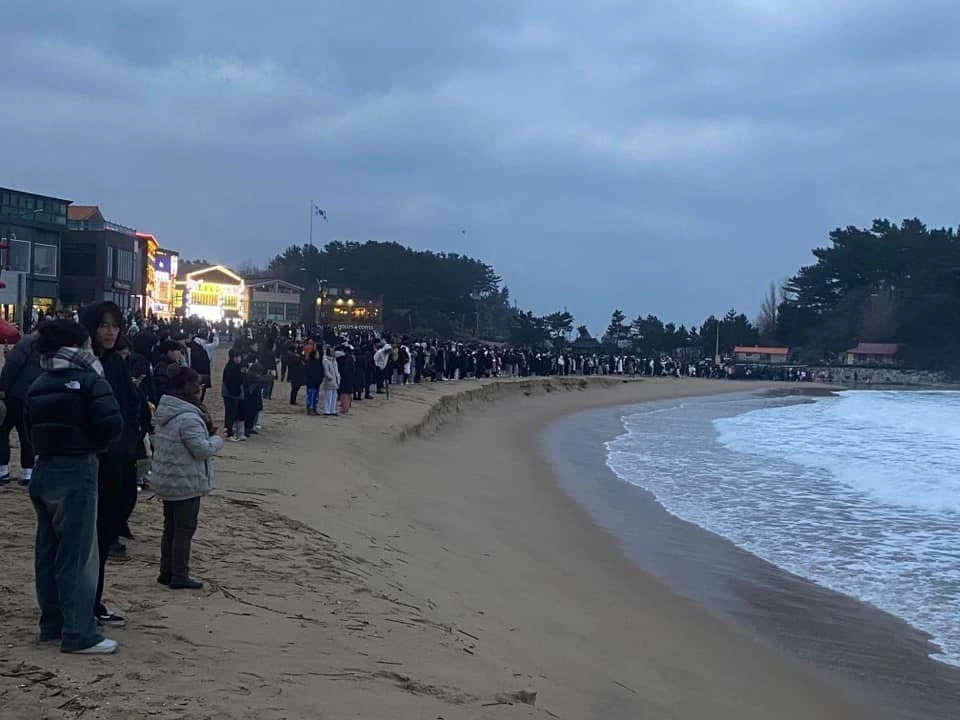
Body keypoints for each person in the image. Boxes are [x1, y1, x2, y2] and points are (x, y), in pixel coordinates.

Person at [24, 319, 123, 654]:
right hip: (77, 469)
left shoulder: (39, 382)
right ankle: (79, 632)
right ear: (80, 347)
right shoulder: (91, 380)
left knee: (48, 551)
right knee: (78, 555)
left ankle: (52, 624)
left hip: (44, 468)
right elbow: (112, 425)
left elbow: (28, 427)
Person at [80, 301, 142, 626]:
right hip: (89, 463)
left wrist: (130, 442)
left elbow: (129, 406)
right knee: (84, 539)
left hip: (117, 459)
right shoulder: (82, 363)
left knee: (104, 534)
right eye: (104, 325)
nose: (110, 332)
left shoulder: (116, 362)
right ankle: (82, 605)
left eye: (115, 326)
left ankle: (94, 601)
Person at [150, 366, 227, 590]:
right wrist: (218, 439)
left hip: (168, 478)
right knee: (183, 529)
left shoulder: (166, 411)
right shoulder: (188, 417)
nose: (200, 390)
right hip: (185, 481)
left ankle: (167, 571)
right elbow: (201, 450)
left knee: (170, 527)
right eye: (197, 386)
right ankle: (179, 574)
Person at [0, 328, 42, 485]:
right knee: (27, 436)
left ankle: (2, 470)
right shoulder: (49, 348)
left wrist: (2, 387)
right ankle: (27, 473)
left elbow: (11, 367)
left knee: (2, 431)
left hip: (15, 396)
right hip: (33, 397)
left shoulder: (26, 343)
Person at [221, 348, 245, 441]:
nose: (240, 359)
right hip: (230, 394)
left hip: (232, 393)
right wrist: (237, 393)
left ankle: (230, 432)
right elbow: (231, 383)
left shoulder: (235, 366)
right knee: (230, 414)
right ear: (233, 357)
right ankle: (228, 434)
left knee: (232, 413)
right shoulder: (231, 368)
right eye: (238, 357)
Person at [303, 346, 323, 416]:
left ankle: (314, 408)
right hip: (311, 382)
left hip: (317, 382)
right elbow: (308, 372)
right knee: (310, 396)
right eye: (317, 354)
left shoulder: (318, 362)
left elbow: (321, 371)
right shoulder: (310, 362)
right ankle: (310, 409)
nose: (318, 355)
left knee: (316, 396)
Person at [322, 346, 341, 416]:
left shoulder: (334, 361)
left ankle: (332, 410)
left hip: (336, 381)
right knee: (328, 397)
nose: (333, 353)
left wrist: (338, 377)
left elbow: (337, 370)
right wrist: (331, 377)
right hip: (330, 381)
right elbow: (326, 371)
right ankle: (327, 411)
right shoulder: (325, 360)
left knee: (334, 397)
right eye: (331, 351)